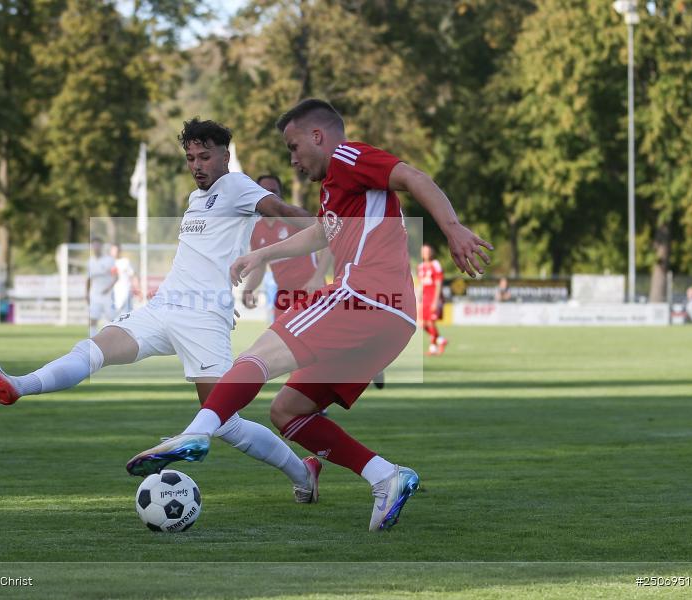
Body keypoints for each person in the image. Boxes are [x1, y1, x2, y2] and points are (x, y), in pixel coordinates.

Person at [127, 99, 492, 531]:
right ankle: (386, 476)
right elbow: (321, 232)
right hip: (393, 318)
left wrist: (451, 228)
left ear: (318, 136)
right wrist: (262, 253)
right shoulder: (335, 187)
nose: (293, 159)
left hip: (365, 295)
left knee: (258, 355)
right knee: (288, 411)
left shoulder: (347, 156)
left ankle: (196, 433)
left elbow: (412, 176)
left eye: (294, 146)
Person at [0, 118, 322, 503]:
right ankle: (17, 386)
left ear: (225, 156)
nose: (197, 165)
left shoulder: (236, 184)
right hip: (163, 307)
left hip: (202, 318)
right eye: (190, 158)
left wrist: (335, 226)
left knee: (227, 423)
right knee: (94, 349)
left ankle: (303, 473)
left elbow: (280, 208)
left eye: (205, 156)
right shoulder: (195, 199)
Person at [242, 174, 329, 321]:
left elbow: (329, 237)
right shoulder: (255, 230)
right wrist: (249, 289)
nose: (268, 195)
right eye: (263, 191)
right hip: (284, 296)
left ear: (280, 195)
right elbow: (260, 266)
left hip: (311, 290)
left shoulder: (294, 217)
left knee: (320, 342)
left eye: (273, 191)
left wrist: (318, 277)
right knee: (275, 339)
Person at [418, 245, 447, 355]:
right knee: (423, 324)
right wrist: (419, 298)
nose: (425, 253)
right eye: (423, 251)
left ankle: (433, 348)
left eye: (427, 251)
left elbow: (439, 283)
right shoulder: (421, 266)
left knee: (430, 322)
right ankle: (441, 340)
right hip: (425, 299)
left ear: (431, 252)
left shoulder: (436, 264)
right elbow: (421, 284)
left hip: (433, 297)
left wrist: (436, 301)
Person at [87, 238, 117, 337]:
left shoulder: (109, 260)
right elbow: (88, 279)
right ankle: (92, 341)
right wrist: (86, 293)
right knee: (92, 319)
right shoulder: (90, 262)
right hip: (95, 295)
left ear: (101, 247)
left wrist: (108, 288)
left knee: (112, 320)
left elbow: (116, 276)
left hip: (108, 295)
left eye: (98, 245)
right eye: (94, 246)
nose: (96, 248)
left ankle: (112, 339)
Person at [110, 243, 138, 314]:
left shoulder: (125, 262)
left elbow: (133, 276)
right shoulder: (108, 263)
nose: (114, 253)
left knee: (126, 316)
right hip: (114, 294)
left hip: (125, 292)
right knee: (114, 317)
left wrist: (138, 289)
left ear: (120, 251)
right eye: (113, 250)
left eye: (116, 250)